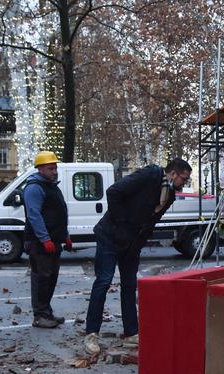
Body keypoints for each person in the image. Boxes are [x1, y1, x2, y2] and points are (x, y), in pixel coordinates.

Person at [84, 158, 193, 352]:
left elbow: (152, 220)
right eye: (184, 179)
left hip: (131, 243)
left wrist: (139, 240)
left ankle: (131, 333)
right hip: (110, 236)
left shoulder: (169, 196)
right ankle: (92, 334)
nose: (184, 184)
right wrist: (121, 225)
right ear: (174, 173)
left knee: (129, 285)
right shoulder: (149, 175)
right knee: (103, 281)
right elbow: (113, 192)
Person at [23, 150, 72, 328]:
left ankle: (46, 312)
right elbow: (34, 215)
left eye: (55, 168)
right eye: (51, 168)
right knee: (42, 278)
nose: (55, 171)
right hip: (39, 243)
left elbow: (60, 212)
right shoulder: (34, 188)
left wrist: (65, 235)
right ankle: (40, 315)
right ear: (41, 169)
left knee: (50, 278)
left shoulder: (51, 186)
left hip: (53, 240)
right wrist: (45, 239)